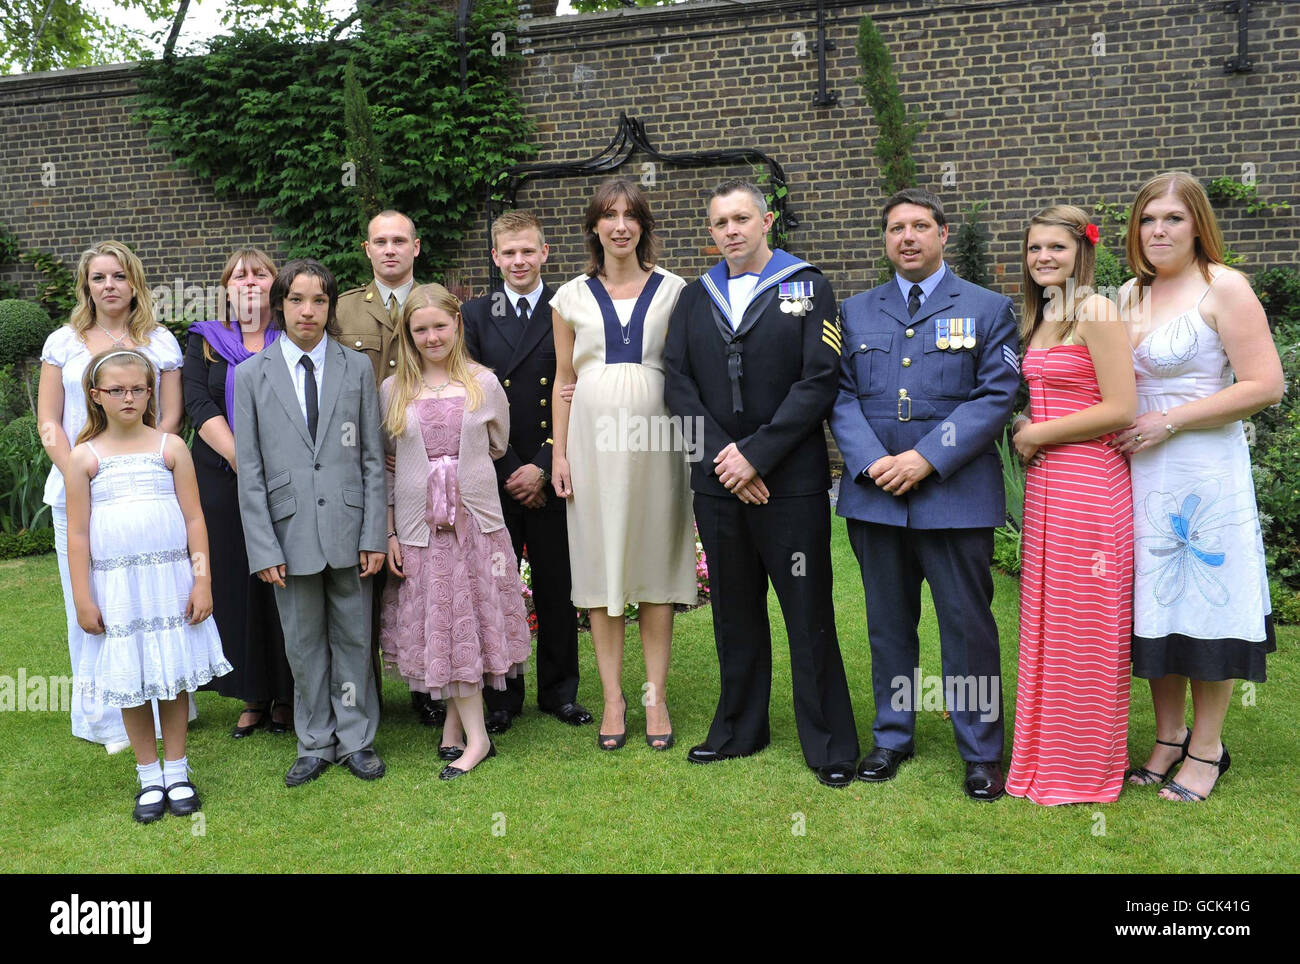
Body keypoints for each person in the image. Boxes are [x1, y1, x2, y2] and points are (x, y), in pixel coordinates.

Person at [664, 178, 859, 787]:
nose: (731, 231)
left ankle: (829, 742)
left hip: (790, 484)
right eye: (720, 222)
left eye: (742, 219)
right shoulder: (696, 298)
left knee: (807, 610)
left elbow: (819, 380)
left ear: (766, 220)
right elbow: (676, 383)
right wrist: (726, 458)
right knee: (734, 612)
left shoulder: (809, 286)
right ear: (711, 231)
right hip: (718, 484)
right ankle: (738, 728)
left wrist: (757, 457)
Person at [830, 188, 1018, 800]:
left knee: (965, 627)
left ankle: (981, 750)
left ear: (942, 234)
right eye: (894, 229)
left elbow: (996, 395)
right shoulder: (855, 311)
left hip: (955, 495)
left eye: (918, 226)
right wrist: (874, 462)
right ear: (885, 240)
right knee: (888, 623)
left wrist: (925, 458)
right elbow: (839, 394)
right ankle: (892, 736)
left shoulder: (988, 308)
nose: (906, 237)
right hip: (876, 494)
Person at [1111, 172, 1282, 803]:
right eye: (1149, 218)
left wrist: (1169, 419)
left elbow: (1265, 384)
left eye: (1173, 219)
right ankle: (1167, 736)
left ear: (1197, 225)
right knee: (1159, 606)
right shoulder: (1129, 294)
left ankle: (1208, 748)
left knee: (1206, 605)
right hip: (1140, 472)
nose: (1159, 230)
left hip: (1202, 469)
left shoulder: (1224, 286)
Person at [551, 177, 696, 752]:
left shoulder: (676, 291)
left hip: (658, 444)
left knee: (655, 570)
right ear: (593, 227)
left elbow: (685, 372)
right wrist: (559, 454)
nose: (619, 225)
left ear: (643, 226)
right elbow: (565, 380)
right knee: (600, 569)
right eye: (607, 215)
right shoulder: (568, 297)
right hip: (590, 446)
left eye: (629, 215)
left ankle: (654, 696)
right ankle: (613, 698)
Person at [234, 258, 388, 787]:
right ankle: (314, 741)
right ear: (281, 304)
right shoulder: (251, 375)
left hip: (349, 527)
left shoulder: (356, 368)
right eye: (297, 300)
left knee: (353, 638)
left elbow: (371, 457)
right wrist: (263, 547)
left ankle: (356, 739)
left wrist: (373, 533)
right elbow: (249, 469)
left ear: (330, 307)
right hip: (288, 530)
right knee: (302, 644)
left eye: (319, 300)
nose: (308, 311)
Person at [37, 240, 192, 753]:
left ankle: (167, 694)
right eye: (99, 277)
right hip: (78, 491)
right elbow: (49, 424)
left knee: (155, 596)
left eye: (119, 276)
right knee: (94, 601)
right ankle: (104, 716)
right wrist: (82, 476)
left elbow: (169, 419)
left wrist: (140, 465)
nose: (110, 286)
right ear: (87, 285)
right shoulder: (63, 343)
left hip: (146, 491)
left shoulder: (160, 342)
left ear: (134, 283)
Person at [64, 349, 231, 822]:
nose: (128, 397)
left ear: (149, 392)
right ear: (96, 397)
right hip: (118, 588)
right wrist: (82, 597)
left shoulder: (170, 447)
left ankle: (176, 771)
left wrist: (202, 581)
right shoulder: (84, 457)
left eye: (138, 388)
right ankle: (148, 778)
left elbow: (195, 519)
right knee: (133, 681)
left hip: (170, 581)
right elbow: (78, 534)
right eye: (116, 390)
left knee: (170, 677)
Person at [1005, 205, 1137, 805]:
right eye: (1034, 249)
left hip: (1089, 486)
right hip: (1049, 487)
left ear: (1083, 252)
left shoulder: (1097, 311)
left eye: (1055, 248)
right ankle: (1041, 758)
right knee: (1048, 623)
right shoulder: (1044, 318)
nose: (1043, 259)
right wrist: (1033, 425)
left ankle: (1083, 766)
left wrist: (1037, 434)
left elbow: (1121, 408)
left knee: (1084, 625)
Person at [379, 283, 532, 779]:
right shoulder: (394, 389)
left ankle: (477, 738)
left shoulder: (483, 384)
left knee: (469, 623)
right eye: (419, 329)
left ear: (457, 325)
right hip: (421, 528)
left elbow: (496, 443)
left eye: (439, 326)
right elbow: (386, 462)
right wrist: (390, 531)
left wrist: (455, 476)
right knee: (442, 623)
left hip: (475, 526)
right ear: (408, 333)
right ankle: (456, 724)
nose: (431, 336)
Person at [462, 211, 590, 734]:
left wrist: (541, 464)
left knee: (558, 586)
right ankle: (502, 697)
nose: (519, 261)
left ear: (545, 253)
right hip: (495, 474)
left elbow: (579, 390)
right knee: (497, 588)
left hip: (555, 467)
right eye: (508, 252)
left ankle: (560, 692)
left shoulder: (571, 307)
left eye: (528, 251)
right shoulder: (473, 314)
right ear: (495, 257)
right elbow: (469, 395)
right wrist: (511, 466)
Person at [336, 209, 441, 726]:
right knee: (365, 579)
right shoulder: (343, 311)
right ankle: (366, 698)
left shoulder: (437, 301)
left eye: (400, 240)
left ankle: (429, 687)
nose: (391, 249)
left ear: (416, 247)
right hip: (361, 463)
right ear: (367, 249)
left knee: (419, 579)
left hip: (425, 465)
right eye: (381, 241)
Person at [184, 247, 294, 739]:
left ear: (276, 283)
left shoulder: (292, 336)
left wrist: (267, 464)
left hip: (286, 473)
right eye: (239, 276)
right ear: (226, 287)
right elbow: (196, 400)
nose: (249, 282)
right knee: (236, 579)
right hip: (222, 477)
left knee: (283, 577)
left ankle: (289, 692)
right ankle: (250, 694)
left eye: (260, 273)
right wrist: (239, 458)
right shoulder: (205, 340)